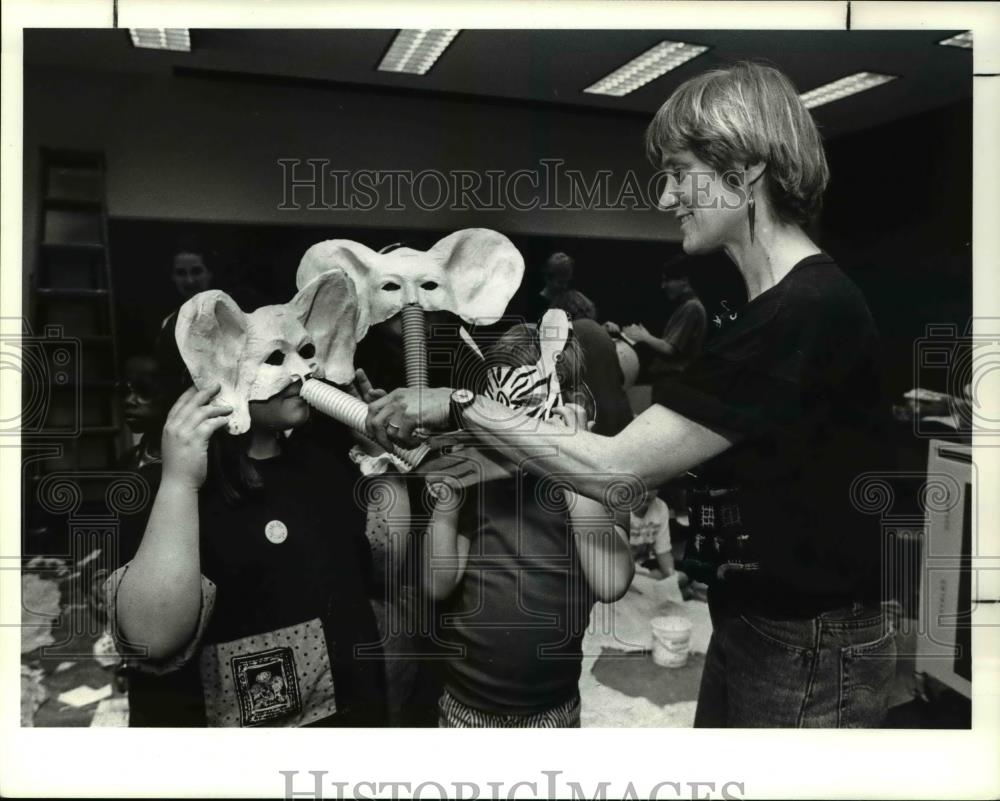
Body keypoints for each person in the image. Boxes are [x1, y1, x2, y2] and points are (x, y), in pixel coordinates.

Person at [364, 61, 895, 728]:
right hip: (755, 622)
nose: (667, 198)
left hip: (807, 645)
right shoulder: (767, 308)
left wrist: (457, 404)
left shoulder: (808, 307)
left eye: (678, 173)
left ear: (746, 168)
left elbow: (617, 467)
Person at [106, 282, 386, 727]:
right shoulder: (161, 489)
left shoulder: (325, 469)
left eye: (306, 351)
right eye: (275, 358)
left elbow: (389, 569)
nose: (302, 373)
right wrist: (179, 483)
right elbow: (153, 638)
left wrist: (384, 457)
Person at [418, 314, 633, 727]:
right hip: (467, 706)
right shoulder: (479, 478)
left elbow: (611, 583)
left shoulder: (601, 484)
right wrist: (446, 505)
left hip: (551, 709)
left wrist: (573, 470)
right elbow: (437, 584)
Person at [549, 289, 633, 437]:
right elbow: (620, 377)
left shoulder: (565, 335)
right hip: (620, 415)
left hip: (589, 420)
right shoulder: (601, 331)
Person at [606, 261, 707, 376]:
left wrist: (644, 336)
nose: (663, 286)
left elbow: (669, 349)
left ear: (684, 280)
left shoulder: (692, 307)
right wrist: (643, 335)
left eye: (667, 280)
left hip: (675, 379)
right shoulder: (689, 306)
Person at [525, 251, 575, 322]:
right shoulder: (536, 304)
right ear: (548, 278)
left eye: (567, 282)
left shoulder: (569, 301)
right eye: (560, 282)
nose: (564, 286)